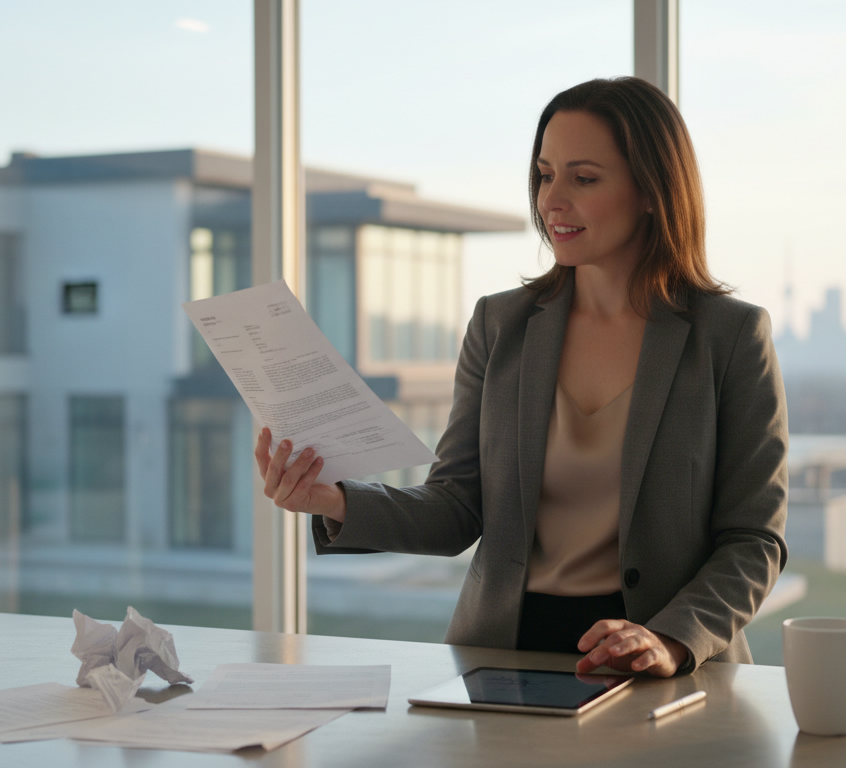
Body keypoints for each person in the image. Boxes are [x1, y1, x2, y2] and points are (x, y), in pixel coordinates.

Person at [254, 77, 788, 678]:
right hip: (501, 659)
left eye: (583, 179)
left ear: (651, 191)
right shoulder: (500, 324)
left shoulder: (731, 337)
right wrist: (333, 500)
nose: (551, 200)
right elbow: (458, 505)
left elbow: (753, 539)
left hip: (657, 663)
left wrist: (669, 639)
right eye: (544, 174)